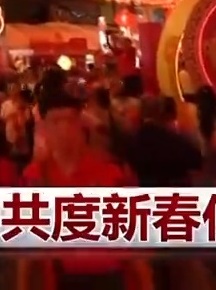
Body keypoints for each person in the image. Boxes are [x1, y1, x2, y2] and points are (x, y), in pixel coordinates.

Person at [20, 88, 152, 290]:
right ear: (44, 128)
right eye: (56, 122)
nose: (64, 130)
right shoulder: (34, 177)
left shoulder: (111, 172)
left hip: (109, 276)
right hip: (61, 278)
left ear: (81, 125)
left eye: (70, 121)